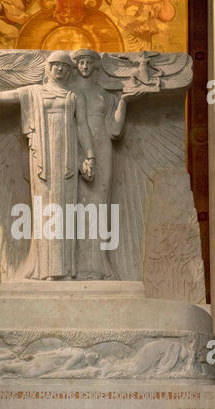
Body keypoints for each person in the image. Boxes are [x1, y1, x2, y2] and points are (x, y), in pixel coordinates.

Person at [0, 51, 96, 280]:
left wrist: (90, 155)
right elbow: (1, 97)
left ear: (69, 70)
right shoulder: (33, 92)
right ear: (48, 68)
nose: (60, 70)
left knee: (65, 211)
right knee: (44, 211)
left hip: (67, 160)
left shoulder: (74, 97)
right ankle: (45, 270)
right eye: (55, 65)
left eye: (64, 66)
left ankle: (66, 270)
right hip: (42, 160)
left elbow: (83, 127)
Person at [71, 49, 140, 279]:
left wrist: (125, 101)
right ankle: (78, 265)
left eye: (89, 62)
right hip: (78, 148)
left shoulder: (104, 94)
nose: (84, 66)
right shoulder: (69, 93)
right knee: (78, 204)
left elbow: (115, 130)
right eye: (80, 62)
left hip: (103, 148)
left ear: (96, 66)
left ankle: (99, 264)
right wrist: (80, 156)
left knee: (100, 203)